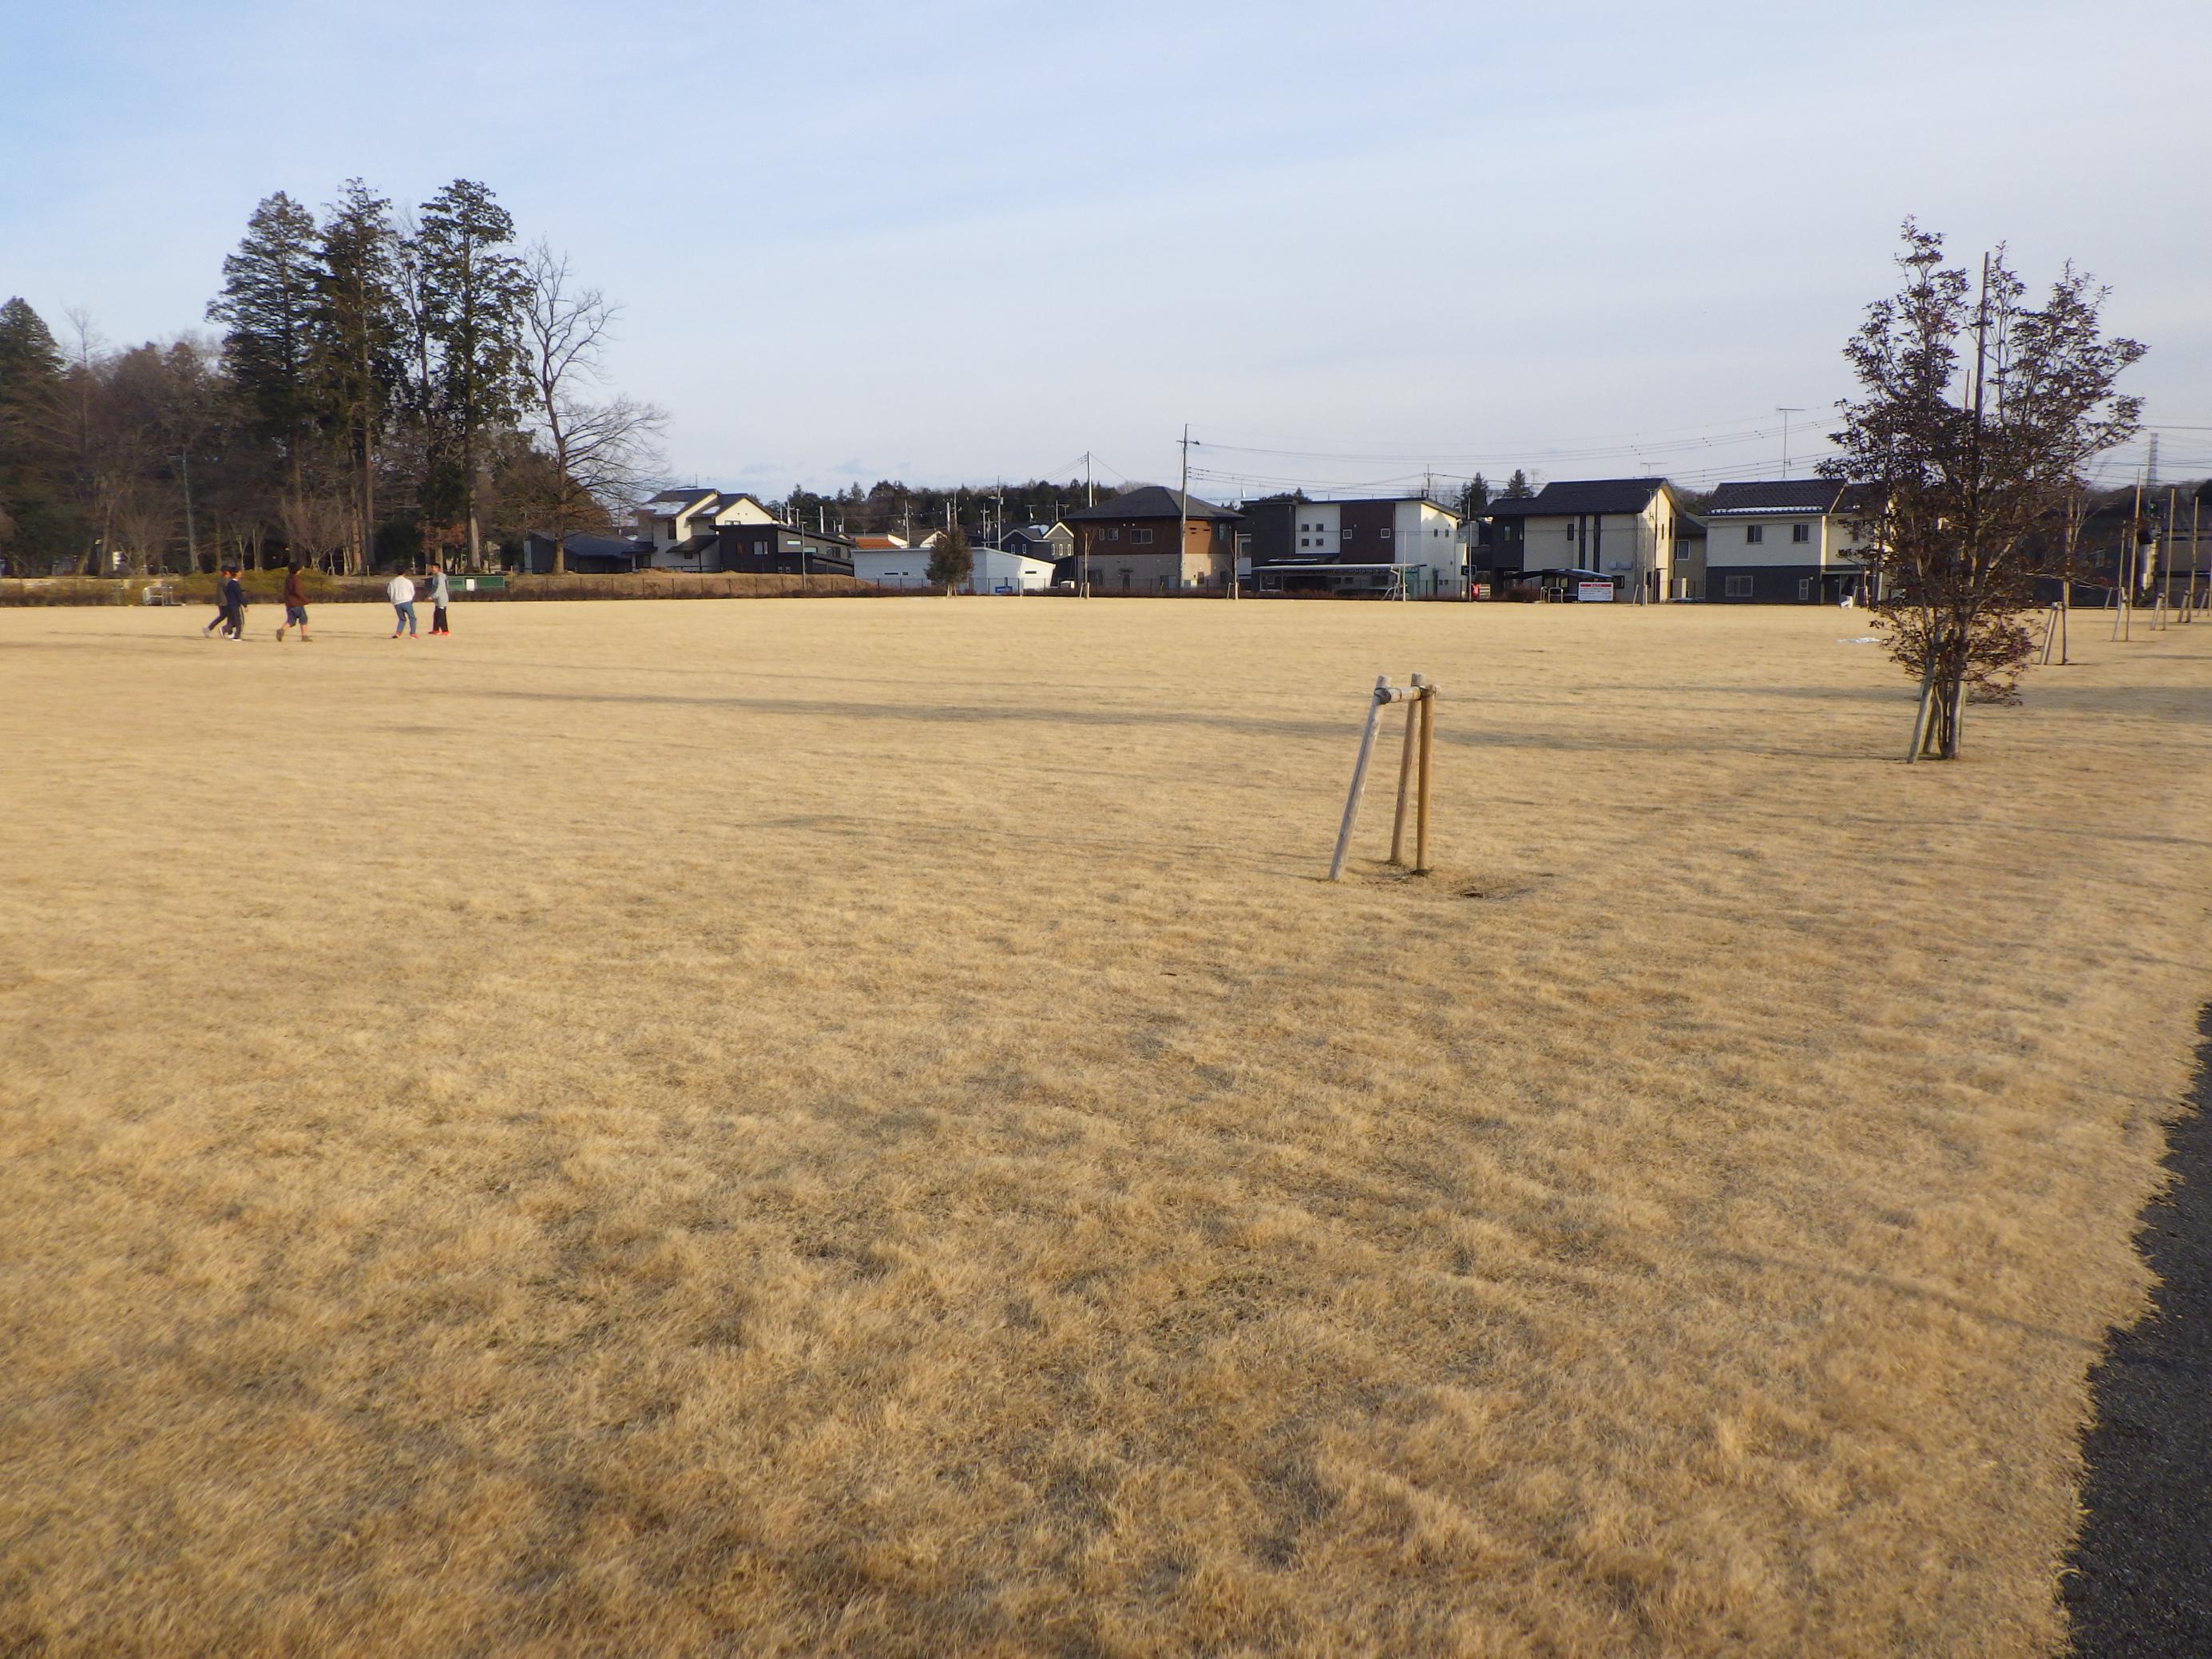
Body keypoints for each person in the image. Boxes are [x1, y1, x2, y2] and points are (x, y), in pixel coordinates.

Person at [276, 561, 311, 641]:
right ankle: (304, 636)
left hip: (289, 603)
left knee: (291, 620)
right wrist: (305, 599)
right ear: (298, 570)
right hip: (297, 603)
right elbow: (297, 591)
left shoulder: (288, 578)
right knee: (303, 618)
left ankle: (282, 630)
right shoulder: (296, 579)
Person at [202, 566, 233, 637]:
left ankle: (209, 629)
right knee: (231, 617)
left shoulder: (221, 580)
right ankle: (226, 630)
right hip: (225, 602)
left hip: (221, 601)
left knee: (223, 616)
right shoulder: (226, 580)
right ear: (227, 572)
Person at [388, 570, 418, 638]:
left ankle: (398, 633)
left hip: (397, 603)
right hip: (406, 601)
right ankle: (413, 633)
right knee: (412, 618)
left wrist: (393, 600)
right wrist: (411, 598)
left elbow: (389, 592)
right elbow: (412, 591)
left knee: (402, 619)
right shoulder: (408, 581)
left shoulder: (392, 582)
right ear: (404, 573)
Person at [425, 562, 451, 636]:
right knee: (436, 614)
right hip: (437, 599)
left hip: (442, 599)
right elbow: (433, 588)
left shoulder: (440, 577)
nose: (432, 569)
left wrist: (432, 597)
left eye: (434, 568)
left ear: (438, 569)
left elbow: (440, 589)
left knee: (441, 615)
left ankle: (445, 631)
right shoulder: (435, 577)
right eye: (432, 567)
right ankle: (436, 630)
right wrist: (430, 595)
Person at [220, 566, 247, 641]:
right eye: (239, 572)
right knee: (239, 622)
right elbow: (239, 596)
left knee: (233, 621)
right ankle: (237, 636)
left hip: (229, 605)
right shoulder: (235, 584)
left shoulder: (230, 583)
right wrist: (245, 605)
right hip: (235, 605)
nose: (241, 573)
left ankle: (224, 629)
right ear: (236, 573)